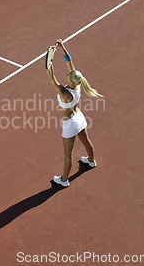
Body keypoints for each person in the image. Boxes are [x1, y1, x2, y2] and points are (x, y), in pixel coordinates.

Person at [46, 39, 103, 187]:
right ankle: (91, 161)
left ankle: (64, 180)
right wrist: (63, 48)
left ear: (70, 80)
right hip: (79, 117)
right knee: (86, 141)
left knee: (68, 154)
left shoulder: (65, 92)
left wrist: (49, 62)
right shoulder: (78, 84)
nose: (68, 73)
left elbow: (51, 78)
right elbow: (69, 62)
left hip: (70, 124)